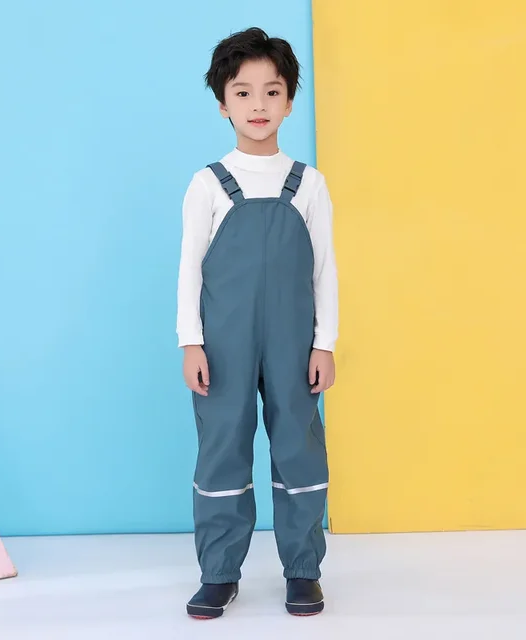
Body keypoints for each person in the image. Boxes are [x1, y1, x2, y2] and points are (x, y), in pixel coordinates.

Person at [176, 27, 338, 619]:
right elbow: (189, 269)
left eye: (272, 92)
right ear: (223, 104)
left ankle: (303, 570)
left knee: (298, 447)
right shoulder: (208, 184)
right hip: (223, 344)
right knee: (222, 448)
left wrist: (325, 343)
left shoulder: (309, 184)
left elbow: (324, 270)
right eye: (242, 93)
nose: (258, 105)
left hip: (295, 342)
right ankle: (219, 573)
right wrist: (191, 342)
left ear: (290, 101)